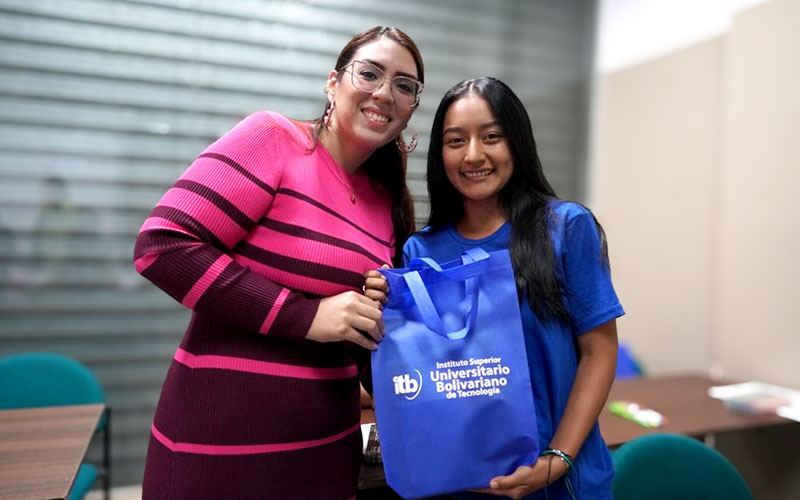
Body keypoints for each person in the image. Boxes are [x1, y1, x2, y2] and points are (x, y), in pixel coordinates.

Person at [133, 26, 424, 500]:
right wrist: (305, 316)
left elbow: (351, 334)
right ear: (333, 83)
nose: (384, 92)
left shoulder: (386, 202)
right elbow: (162, 246)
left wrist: (376, 318)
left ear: (411, 108)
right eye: (369, 73)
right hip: (218, 454)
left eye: (404, 86)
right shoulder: (274, 140)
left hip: (325, 458)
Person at [366, 77, 623, 500]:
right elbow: (422, 376)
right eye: (455, 140)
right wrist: (381, 311)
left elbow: (599, 350)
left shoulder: (565, 228)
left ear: (516, 143)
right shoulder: (420, 251)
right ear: (440, 153)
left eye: (491, 137)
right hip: (460, 485)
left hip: (562, 482)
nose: (473, 155)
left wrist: (557, 459)